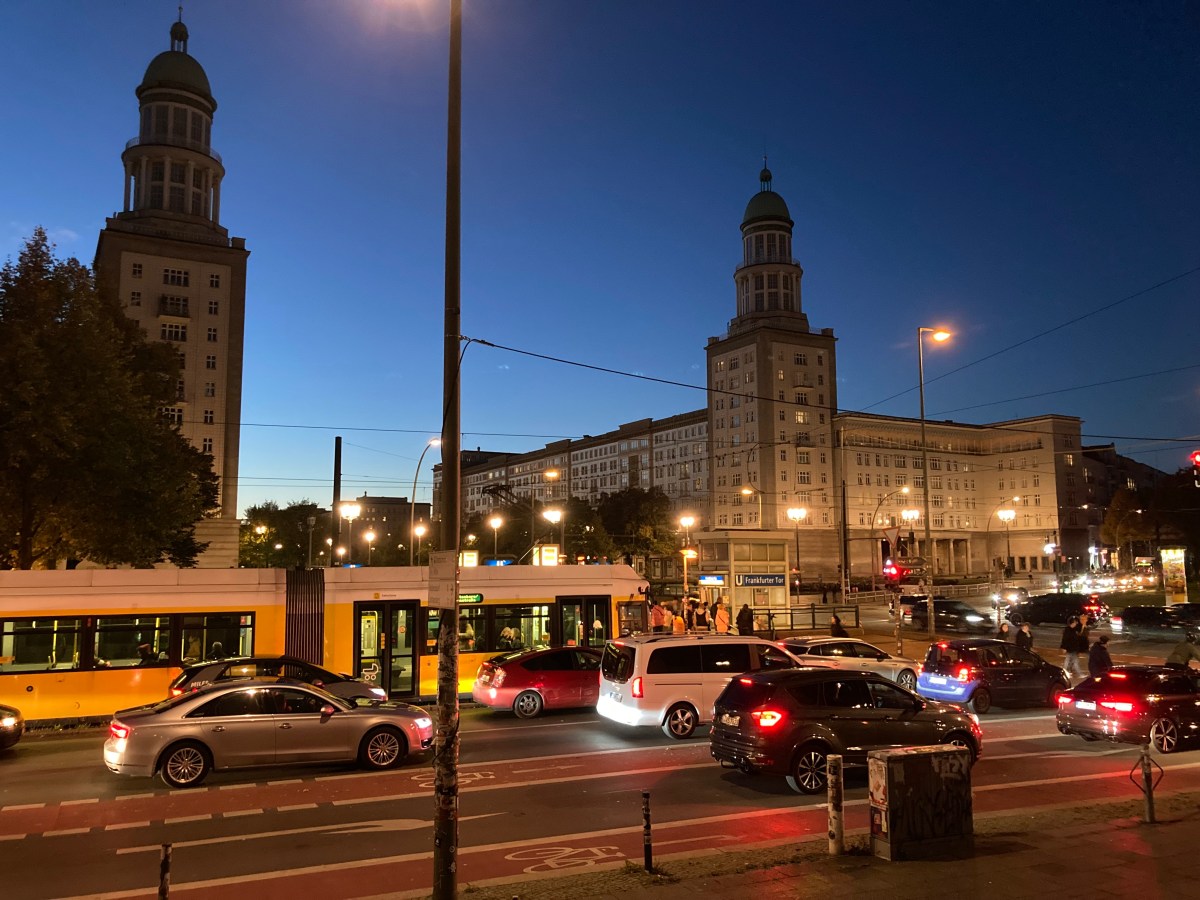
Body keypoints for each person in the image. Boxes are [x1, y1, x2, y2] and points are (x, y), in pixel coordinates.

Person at [1059, 617, 1084, 683]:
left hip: (1074, 648)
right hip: (1070, 648)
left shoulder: (1074, 629)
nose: (1076, 623)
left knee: (1070, 661)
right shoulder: (1068, 630)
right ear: (1072, 623)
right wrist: (1064, 647)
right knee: (1071, 661)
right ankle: (1078, 674)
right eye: (1075, 622)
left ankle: (1068, 672)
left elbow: (1079, 630)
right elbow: (1065, 639)